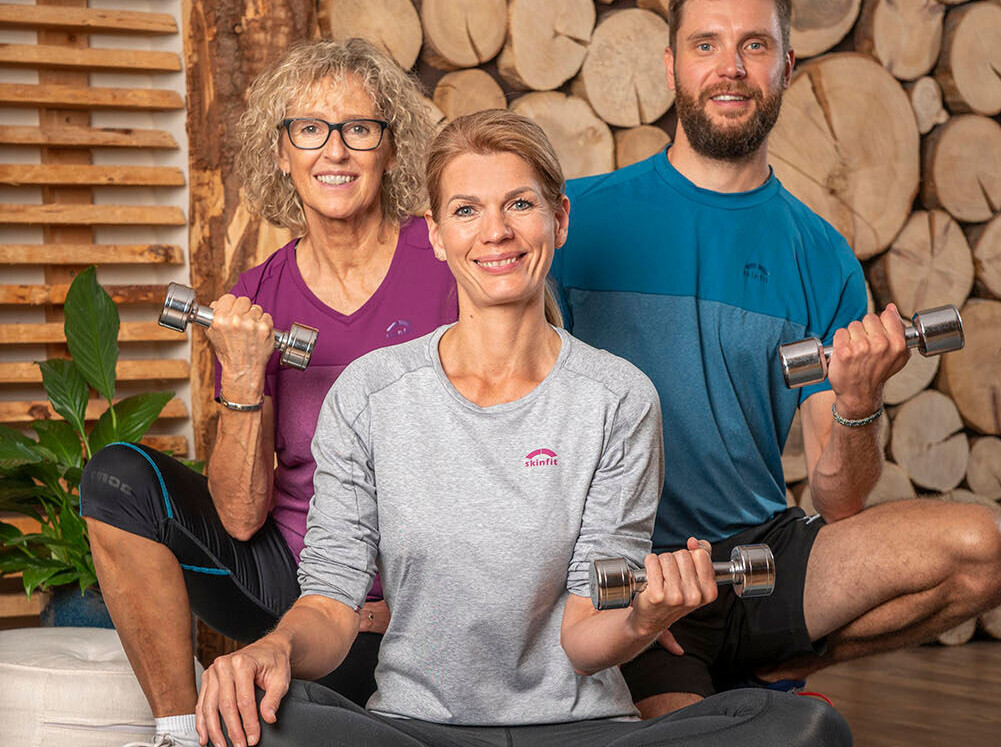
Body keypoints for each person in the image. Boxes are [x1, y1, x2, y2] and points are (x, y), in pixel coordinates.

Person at [194, 109, 851, 747]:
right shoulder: (367, 394)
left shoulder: (617, 399)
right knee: (260, 718)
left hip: (580, 729)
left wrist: (645, 616)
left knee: (805, 729)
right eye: (466, 210)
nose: (495, 232)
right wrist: (272, 647)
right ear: (436, 235)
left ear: (559, 219)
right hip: (418, 727)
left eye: (519, 204)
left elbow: (584, 632)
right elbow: (332, 607)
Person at [552, 0, 1001, 719]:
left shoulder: (821, 256)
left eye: (753, 44)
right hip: (632, 569)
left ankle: (780, 656)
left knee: (984, 547)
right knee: (701, 742)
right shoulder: (575, 222)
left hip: (760, 559)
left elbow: (839, 504)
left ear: (786, 67)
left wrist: (856, 403)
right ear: (670, 67)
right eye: (705, 44)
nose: (729, 66)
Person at [80, 38, 457, 747]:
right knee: (115, 477)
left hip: (419, 596)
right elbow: (241, 516)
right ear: (283, 152)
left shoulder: (443, 264)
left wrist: (391, 596)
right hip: (291, 582)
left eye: (358, 129)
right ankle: (176, 731)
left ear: (391, 147)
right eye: (310, 129)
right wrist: (247, 375)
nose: (335, 152)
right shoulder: (256, 295)